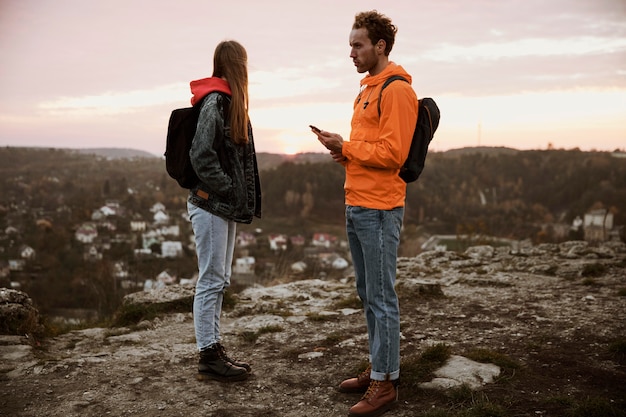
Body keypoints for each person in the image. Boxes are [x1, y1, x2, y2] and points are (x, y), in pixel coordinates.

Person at [312, 10, 418, 417]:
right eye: (350, 46)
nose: (351, 53)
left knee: (381, 296)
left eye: (357, 45)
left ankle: (385, 383)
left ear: (380, 46)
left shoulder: (396, 91)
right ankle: (379, 367)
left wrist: (349, 147)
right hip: (357, 203)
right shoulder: (366, 89)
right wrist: (342, 151)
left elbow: (393, 154)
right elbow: (370, 153)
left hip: (379, 209)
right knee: (367, 293)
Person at [187, 40, 262, 382]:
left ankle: (214, 347)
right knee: (211, 279)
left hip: (222, 207)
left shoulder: (228, 101)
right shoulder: (216, 101)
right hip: (211, 204)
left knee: (220, 279)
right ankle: (207, 355)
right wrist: (230, 189)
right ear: (238, 66)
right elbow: (201, 154)